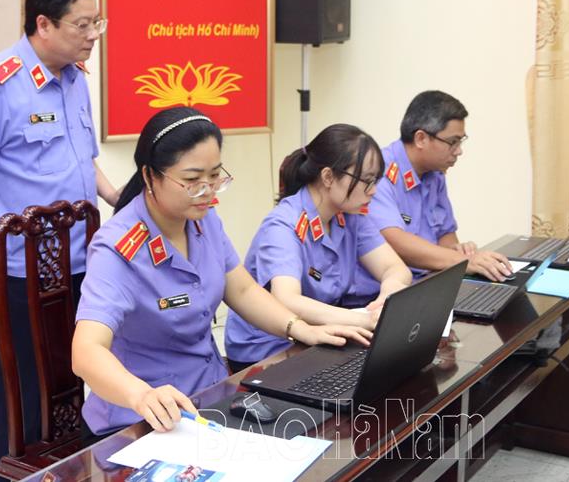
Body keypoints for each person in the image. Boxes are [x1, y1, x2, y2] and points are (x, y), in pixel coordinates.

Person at [71, 109, 372, 436]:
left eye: (214, 176)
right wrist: (141, 395)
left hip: (209, 397)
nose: (207, 191)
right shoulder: (117, 248)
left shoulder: (203, 220)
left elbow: (242, 290)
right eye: (191, 180)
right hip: (141, 420)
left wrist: (299, 328)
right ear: (149, 176)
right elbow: (87, 350)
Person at [0, 0, 119, 481]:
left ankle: (69, 469)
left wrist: (121, 198)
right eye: (82, 25)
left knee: (71, 379)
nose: (93, 35)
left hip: (80, 257)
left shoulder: (74, 79)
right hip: (22, 268)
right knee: (22, 388)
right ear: (43, 24)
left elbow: (84, 160)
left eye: (97, 22)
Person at [224, 124, 413, 372]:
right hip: (268, 347)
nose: (373, 191)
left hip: (317, 334)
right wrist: (363, 320)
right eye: (367, 181)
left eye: (375, 181)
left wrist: (385, 299)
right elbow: (287, 299)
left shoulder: (350, 216)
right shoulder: (283, 225)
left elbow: (395, 269)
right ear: (328, 177)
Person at [354, 90, 513, 296]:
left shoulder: (435, 173)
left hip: (427, 283)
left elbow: (446, 235)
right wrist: (465, 261)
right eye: (453, 142)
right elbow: (394, 241)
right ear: (421, 138)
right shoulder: (379, 171)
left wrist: (460, 251)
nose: (459, 151)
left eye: (461, 141)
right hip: (381, 294)